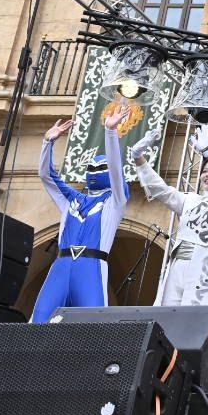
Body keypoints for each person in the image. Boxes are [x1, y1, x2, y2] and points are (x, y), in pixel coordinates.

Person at [31, 105, 131, 323]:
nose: (95, 173)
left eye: (100, 169)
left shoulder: (116, 200)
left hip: (92, 267)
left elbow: (115, 170)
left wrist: (110, 132)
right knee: (39, 321)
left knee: (92, 326)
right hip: (61, 264)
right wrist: (48, 142)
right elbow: (47, 176)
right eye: (91, 169)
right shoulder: (72, 199)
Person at [129, 123, 208, 307]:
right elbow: (160, 190)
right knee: (168, 319)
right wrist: (138, 158)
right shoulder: (190, 200)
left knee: (196, 320)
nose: (207, 174)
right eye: (204, 171)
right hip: (178, 264)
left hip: (205, 266)